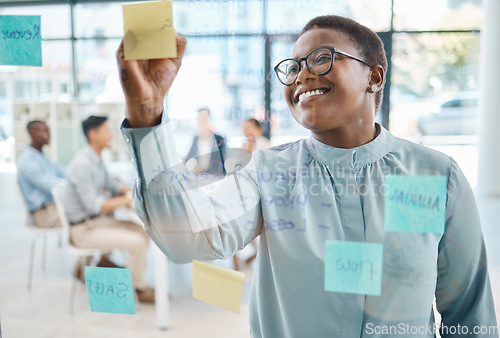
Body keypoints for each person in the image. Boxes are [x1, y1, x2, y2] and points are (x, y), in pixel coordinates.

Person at [117, 15, 497, 337]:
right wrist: (147, 115)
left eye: (321, 57)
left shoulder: (430, 175)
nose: (301, 75)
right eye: (293, 66)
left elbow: (468, 310)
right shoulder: (269, 174)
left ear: (375, 77)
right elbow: (186, 237)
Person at [65, 115, 154, 303]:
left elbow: (113, 186)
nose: (111, 135)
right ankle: (138, 290)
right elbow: (94, 205)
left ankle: (120, 273)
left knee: (143, 232)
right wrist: (126, 200)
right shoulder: (83, 164)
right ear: (93, 134)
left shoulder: (96, 159)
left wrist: (138, 190)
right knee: (137, 242)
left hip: (97, 221)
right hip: (85, 229)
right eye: (107, 131)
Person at [17, 120, 65, 228]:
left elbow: (62, 171)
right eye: (45, 131)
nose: (49, 135)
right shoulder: (27, 161)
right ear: (33, 134)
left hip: (53, 207)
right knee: (82, 215)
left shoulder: (41, 156)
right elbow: (53, 186)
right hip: (44, 214)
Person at [184, 107, 226, 176]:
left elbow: (223, 163)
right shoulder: (195, 139)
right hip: (197, 177)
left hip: (213, 178)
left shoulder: (219, 139)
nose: (201, 123)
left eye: (204, 119)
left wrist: (204, 169)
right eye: (199, 119)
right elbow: (187, 159)